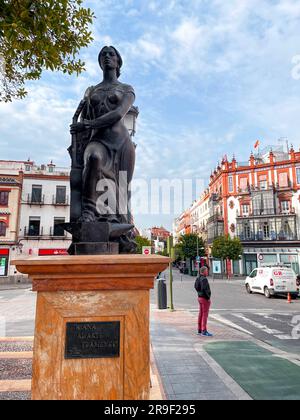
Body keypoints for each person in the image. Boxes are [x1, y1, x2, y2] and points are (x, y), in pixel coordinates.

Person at [70, 46, 136, 252]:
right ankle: (89, 212)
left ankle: (122, 232)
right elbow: (82, 116)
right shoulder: (92, 91)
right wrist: (80, 127)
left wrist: (87, 124)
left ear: (118, 61)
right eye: (103, 55)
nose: (107, 57)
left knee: (122, 189)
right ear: (100, 62)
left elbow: (118, 114)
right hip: (97, 140)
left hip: (122, 144)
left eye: (111, 54)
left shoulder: (127, 89)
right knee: (94, 159)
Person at [194, 266, 213, 337]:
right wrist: (208, 297)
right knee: (205, 314)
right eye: (207, 270)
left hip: (199, 297)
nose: (207, 272)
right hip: (204, 298)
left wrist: (199, 292)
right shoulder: (204, 279)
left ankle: (199, 329)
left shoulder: (198, 278)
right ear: (204, 271)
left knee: (201, 314)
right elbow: (205, 289)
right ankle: (204, 330)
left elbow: (195, 286)